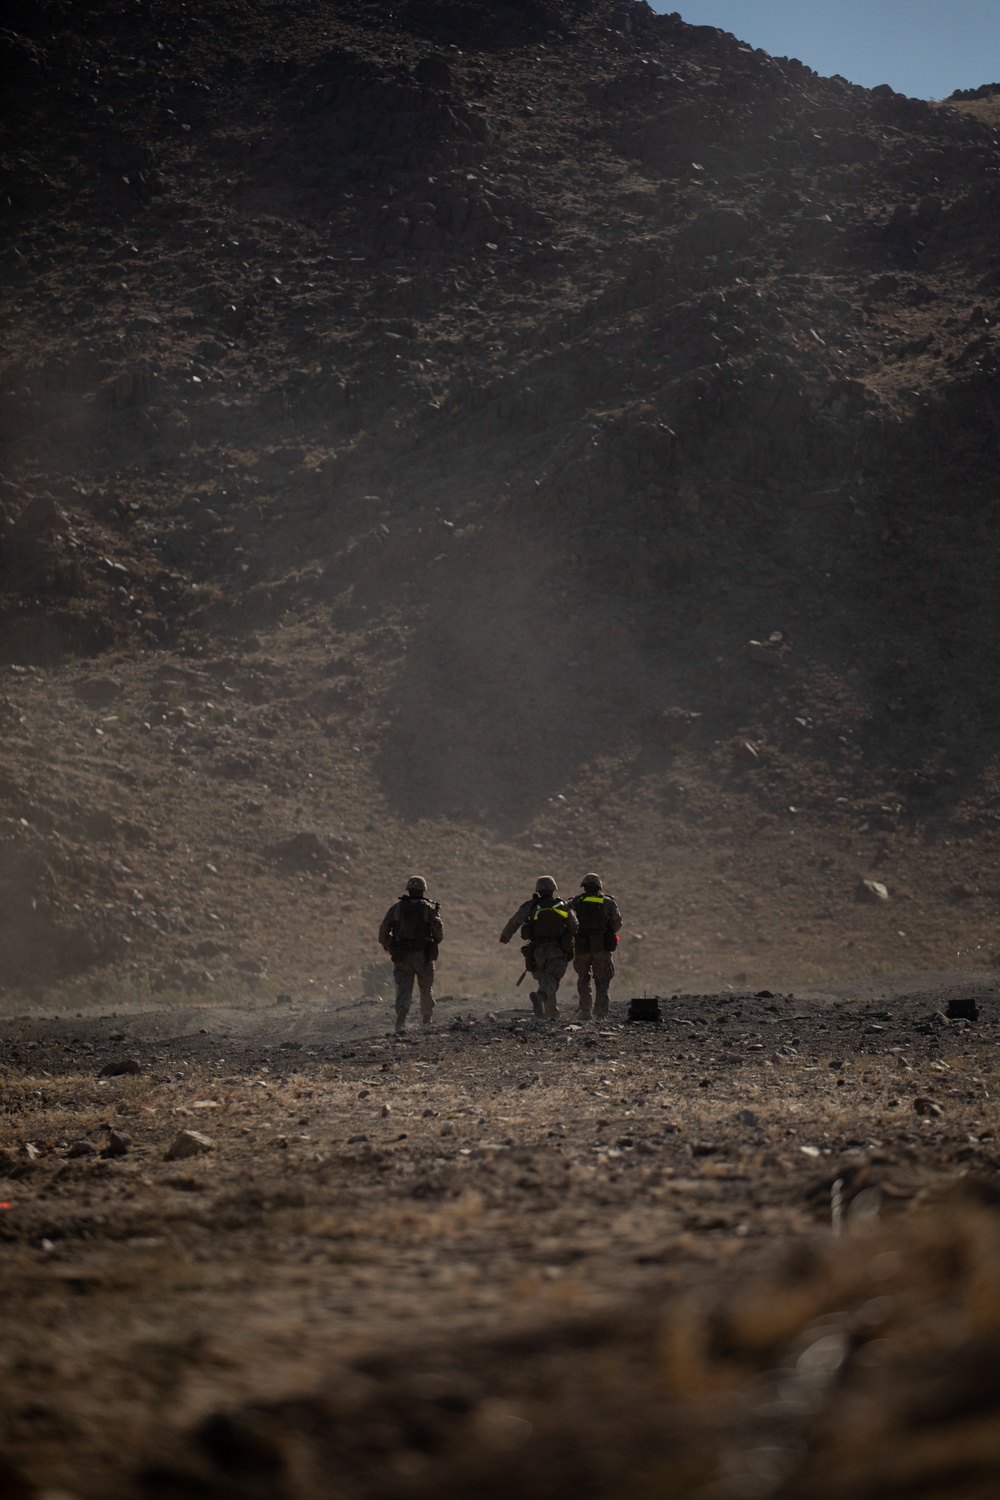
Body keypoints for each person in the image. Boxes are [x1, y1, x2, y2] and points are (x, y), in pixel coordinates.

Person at [499, 876, 578, 1019]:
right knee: (552, 978)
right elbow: (574, 926)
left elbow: (516, 920)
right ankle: (540, 997)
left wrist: (505, 936)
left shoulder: (531, 905)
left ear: (538, 890)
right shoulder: (563, 905)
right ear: (553, 889)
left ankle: (550, 1014)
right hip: (557, 949)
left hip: (537, 951)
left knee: (545, 980)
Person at [378, 876, 444, 1034]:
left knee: (404, 988)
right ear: (423, 891)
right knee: (426, 986)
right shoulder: (428, 909)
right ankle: (427, 1019)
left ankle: (401, 1018)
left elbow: (383, 930)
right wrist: (434, 940)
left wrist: (388, 944)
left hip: (401, 955)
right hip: (422, 955)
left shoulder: (397, 908)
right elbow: (439, 932)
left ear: (408, 890)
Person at [568, 873, 622, 1020]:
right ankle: (600, 1013)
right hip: (601, 947)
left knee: (583, 978)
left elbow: (568, 919)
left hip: (582, 946)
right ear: (599, 886)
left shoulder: (575, 902)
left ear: (584, 887)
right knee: (602, 980)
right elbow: (617, 922)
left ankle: (585, 1011)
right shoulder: (608, 902)